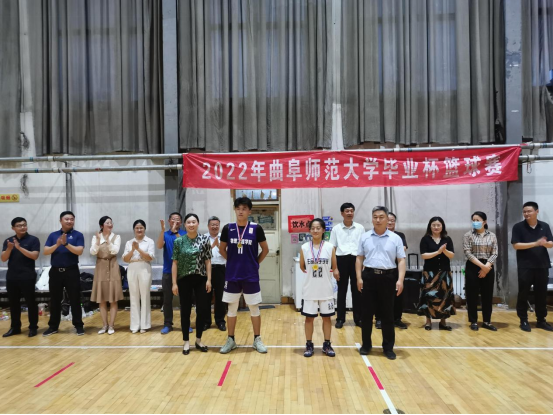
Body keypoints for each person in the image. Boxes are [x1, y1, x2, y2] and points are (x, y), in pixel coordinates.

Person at [218, 197, 270, 354]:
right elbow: (222, 249)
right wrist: (232, 261)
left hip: (250, 275)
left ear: (249, 211)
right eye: (238, 208)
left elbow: (265, 249)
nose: (241, 211)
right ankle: (231, 340)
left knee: (254, 308)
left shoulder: (256, 228)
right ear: (235, 210)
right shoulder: (228, 228)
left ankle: (257, 339)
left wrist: (255, 263)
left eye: (244, 209)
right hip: (232, 275)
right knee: (232, 308)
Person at [356, 206, 406, 361]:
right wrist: (359, 278)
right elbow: (359, 258)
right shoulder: (365, 237)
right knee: (366, 314)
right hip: (369, 277)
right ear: (372, 219)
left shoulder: (395, 238)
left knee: (387, 314)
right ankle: (366, 345)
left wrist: (400, 280)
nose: (378, 220)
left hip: (388, 277)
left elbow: (401, 260)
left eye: (381, 217)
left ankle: (388, 347)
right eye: (375, 217)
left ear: (387, 219)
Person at [172, 214, 212, 355]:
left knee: (201, 310)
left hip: (201, 279)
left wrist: (209, 280)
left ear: (198, 224)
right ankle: (186, 342)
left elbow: (208, 261)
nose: (191, 224)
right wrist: (174, 283)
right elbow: (175, 262)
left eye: (193, 222)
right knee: (185, 310)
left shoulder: (204, 239)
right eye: (188, 222)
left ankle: (198, 340)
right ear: (185, 225)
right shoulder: (179, 241)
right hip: (184, 279)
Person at [299, 219, 340, 358]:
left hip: (325, 289)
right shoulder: (304, 247)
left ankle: (327, 344)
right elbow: (302, 267)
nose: (315, 230)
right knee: (309, 319)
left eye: (318, 228)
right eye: (313, 228)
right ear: (309, 230)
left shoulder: (330, 247)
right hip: (310, 290)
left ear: (323, 230)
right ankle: (309, 344)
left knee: (327, 318)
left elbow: (334, 266)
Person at [512, 202, 553, 332]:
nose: (526, 214)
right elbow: (516, 245)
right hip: (525, 266)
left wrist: (544, 243)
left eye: (529, 211)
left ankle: (541, 320)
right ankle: (523, 320)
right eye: (524, 211)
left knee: (541, 293)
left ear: (537, 211)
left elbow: (550, 243)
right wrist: (535, 243)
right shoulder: (518, 227)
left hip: (542, 265)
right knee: (523, 293)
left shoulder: (544, 226)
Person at [43, 211, 86, 337]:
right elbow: (46, 251)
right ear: (60, 221)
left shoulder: (78, 235)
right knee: (55, 299)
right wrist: (57, 244)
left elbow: (79, 251)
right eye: (67, 219)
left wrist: (66, 244)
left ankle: (78, 326)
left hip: (71, 271)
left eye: (72, 219)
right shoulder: (53, 235)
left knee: (75, 299)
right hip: (56, 271)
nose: (69, 221)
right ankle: (53, 326)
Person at [1, 218, 40, 338]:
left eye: (24, 225)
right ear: (13, 228)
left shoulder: (33, 239)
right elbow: (3, 258)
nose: (22, 227)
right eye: (19, 225)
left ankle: (33, 327)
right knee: (13, 303)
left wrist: (19, 248)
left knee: (31, 302)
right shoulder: (8, 241)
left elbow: (34, 256)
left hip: (27, 276)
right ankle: (15, 327)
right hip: (12, 277)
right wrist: (9, 248)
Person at [330, 203, 365, 329]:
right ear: (342, 213)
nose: (349, 213)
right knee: (342, 291)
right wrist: (334, 268)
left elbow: (364, 247)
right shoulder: (336, 229)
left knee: (357, 290)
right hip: (341, 260)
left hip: (356, 260)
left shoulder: (360, 228)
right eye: (347, 211)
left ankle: (358, 318)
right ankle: (340, 319)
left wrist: (363, 263)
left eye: (351, 211)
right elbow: (332, 249)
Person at [417, 217, 456, 331]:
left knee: (445, 296)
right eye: (433, 225)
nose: (436, 227)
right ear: (430, 226)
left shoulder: (447, 239)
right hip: (429, 273)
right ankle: (428, 321)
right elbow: (424, 255)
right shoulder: (425, 239)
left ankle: (443, 322)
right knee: (429, 297)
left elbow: (451, 255)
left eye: (438, 225)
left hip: (444, 272)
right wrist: (438, 252)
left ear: (442, 226)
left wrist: (444, 251)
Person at [463, 212, 499, 332]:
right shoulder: (468, 235)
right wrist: (482, 267)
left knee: (487, 295)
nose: (475, 222)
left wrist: (487, 266)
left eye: (477, 220)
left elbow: (495, 253)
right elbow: (468, 253)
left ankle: (487, 321)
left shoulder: (492, 235)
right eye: (473, 220)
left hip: (488, 266)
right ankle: (473, 321)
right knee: (472, 295)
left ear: (484, 222)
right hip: (473, 265)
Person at [156, 212, 189, 335]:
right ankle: (167, 324)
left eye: (178, 219)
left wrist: (175, 232)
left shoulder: (185, 234)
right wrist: (162, 231)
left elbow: (184, 247)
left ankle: (185, 324)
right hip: (168, 272)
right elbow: (159, 246)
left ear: (181, 222)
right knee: (167, 300)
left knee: (184, 300)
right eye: (173, 219)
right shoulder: (165, 234)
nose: (176, 221)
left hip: (183, 272)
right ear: (169, 221)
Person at [90, 217, 123, 335]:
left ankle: (111, 325)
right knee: (102, 298)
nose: (110, 224)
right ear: (101, 225)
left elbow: (115, 251)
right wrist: (98, 241)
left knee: (113, 299)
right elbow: (93, 252)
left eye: (111, 222)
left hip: (113, 265)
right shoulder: (96, 237)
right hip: (100, 266)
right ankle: (104, 325)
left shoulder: (116, 237)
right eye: (107, 223)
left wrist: (108, 241)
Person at [376, 212, 408, 330]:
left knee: (398, 294)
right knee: (380, 295)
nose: (390, 222)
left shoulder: (400, 235)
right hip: (382, 268)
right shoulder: (379, 235)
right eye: (388, 220)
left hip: (396, 269)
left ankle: (397, 319)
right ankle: (379, 319)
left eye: (392, 220)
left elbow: (403, 250)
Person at [123, 220, 155, 334]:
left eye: (141, 227)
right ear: (134, 229)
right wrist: (132, 249)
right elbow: (125, 259)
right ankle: (135, 325)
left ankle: (145, 324)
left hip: (144, 267)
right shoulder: (129, 242)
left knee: (145, 295)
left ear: (144, 229)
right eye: (137, 228)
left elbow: (150, 257)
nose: (139, 230)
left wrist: (138, 249)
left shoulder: (149, 241)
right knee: (133, 296)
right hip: (132, 267)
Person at [204, 216, 227, 332]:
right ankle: (206, 321)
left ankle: (220, 321)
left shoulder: (224, 238)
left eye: (216, 225)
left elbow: (229, 256)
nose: (214, 227)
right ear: (208, 226)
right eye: (212, 225)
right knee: (206, 296)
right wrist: (211, 247)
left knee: (220, 296)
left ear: (219, 226)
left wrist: (219, 247)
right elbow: (201, 255)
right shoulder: (203, 238)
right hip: (206, 270)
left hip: (221, 269)